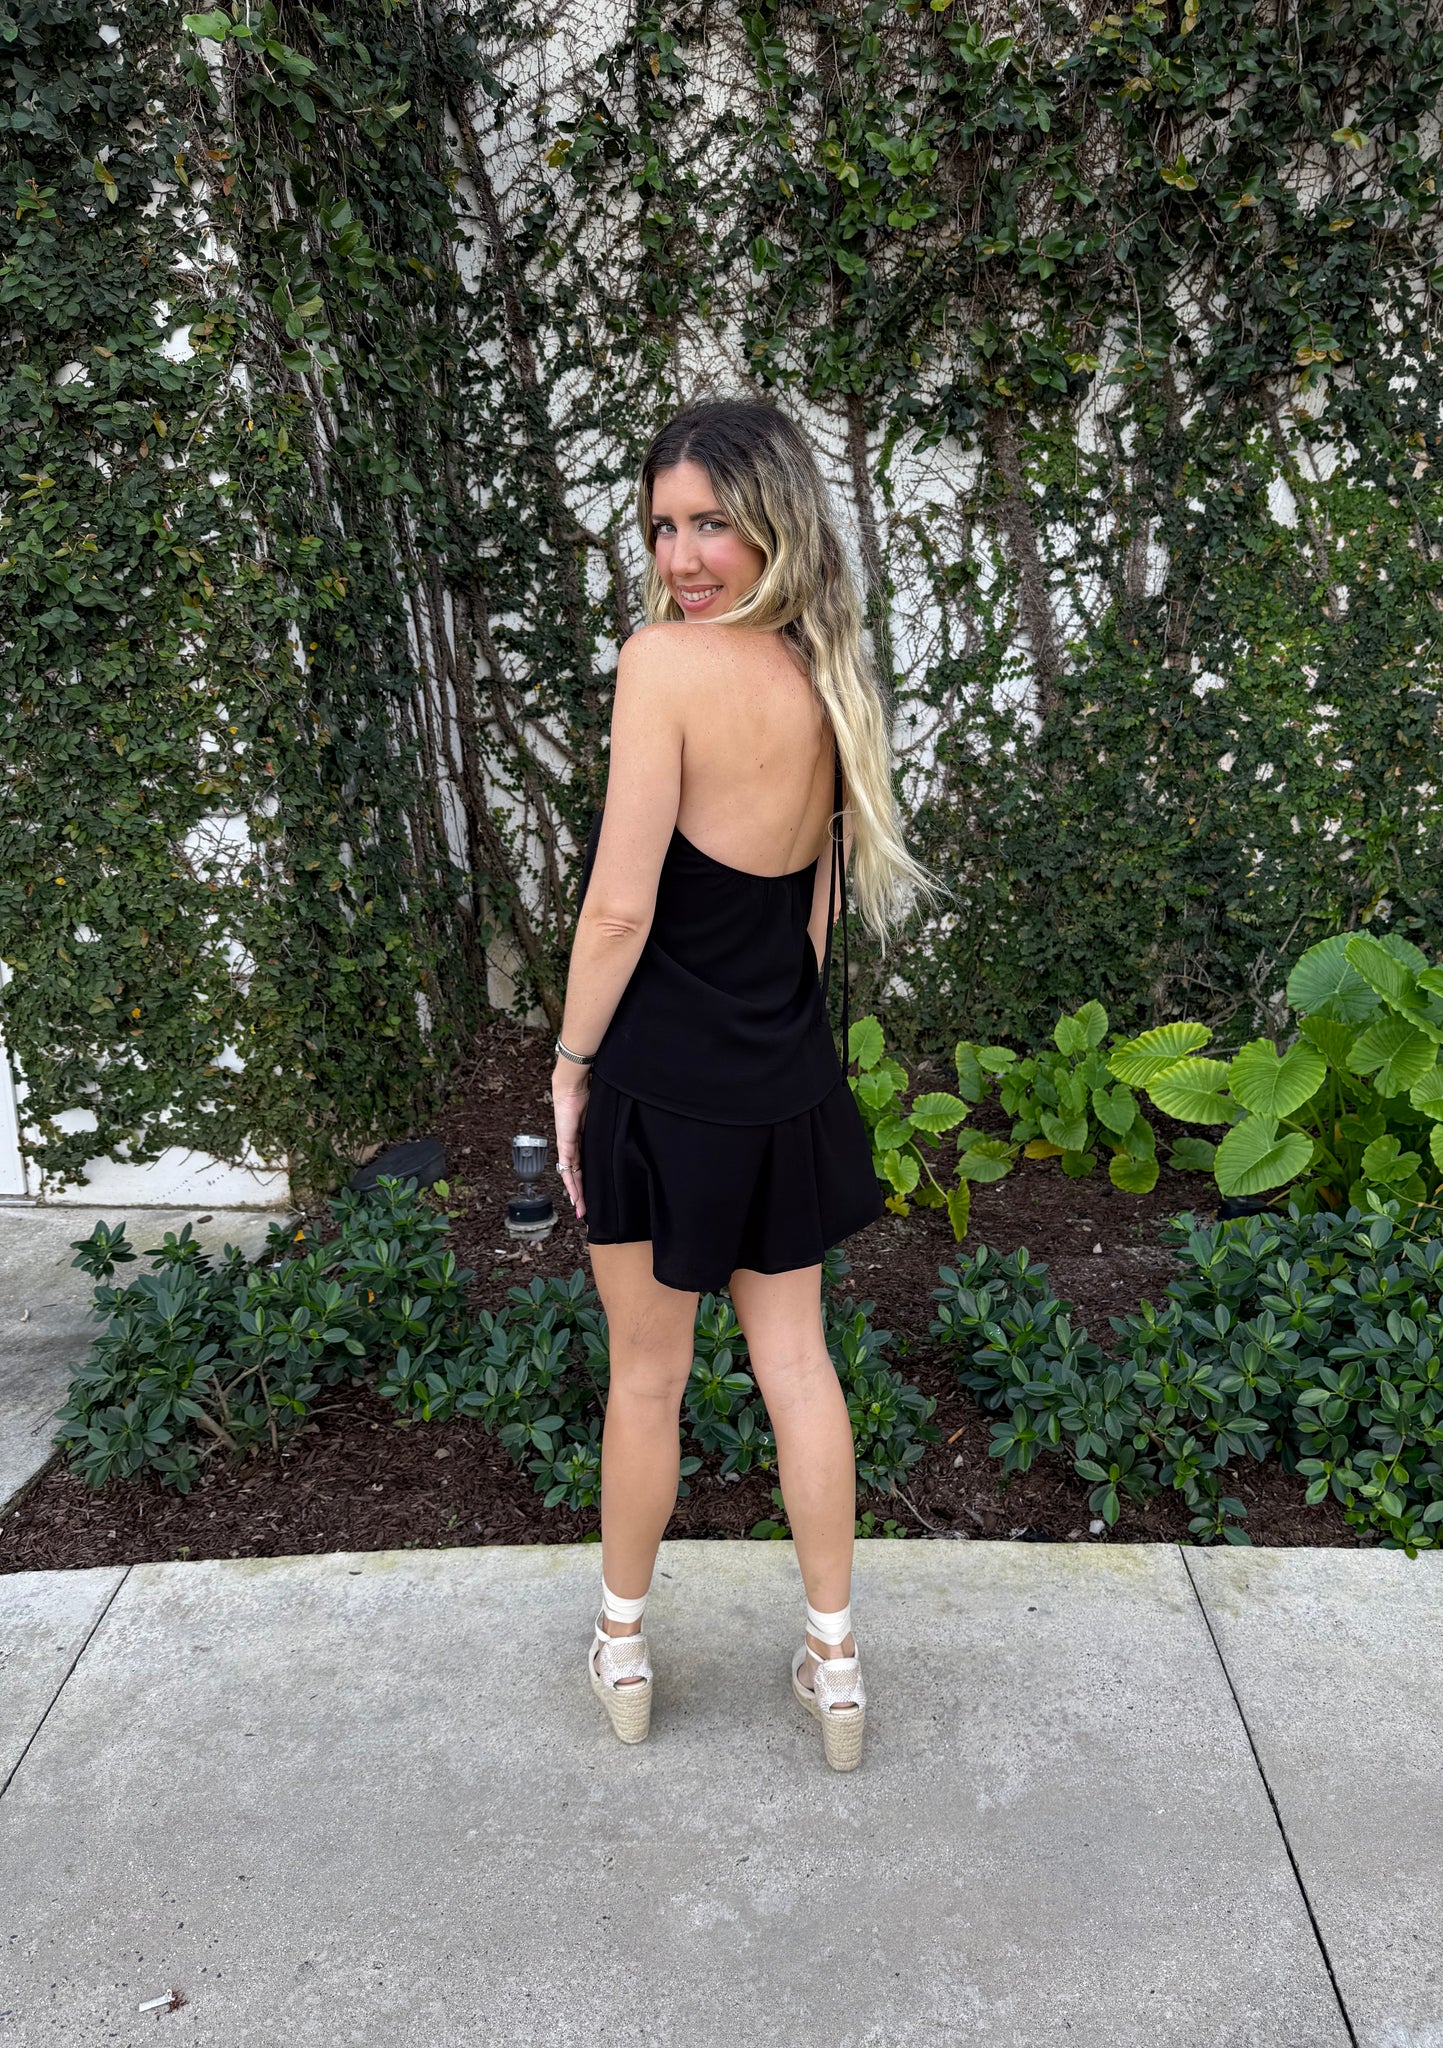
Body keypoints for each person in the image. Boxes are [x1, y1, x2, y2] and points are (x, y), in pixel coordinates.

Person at [550, 399, 935, 1772]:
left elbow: (617, 911)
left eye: (710, 523)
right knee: (799, 1367)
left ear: (774, 519)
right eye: (662, 527)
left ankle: (622, 1646)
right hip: (783, 1081)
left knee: (646, 1381)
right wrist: (770, 1039)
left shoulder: (662, 665)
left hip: (659, 1084)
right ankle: (836, 1663)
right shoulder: (827, 673)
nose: (681, 557)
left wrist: (571, 1067)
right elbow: (813, 912)